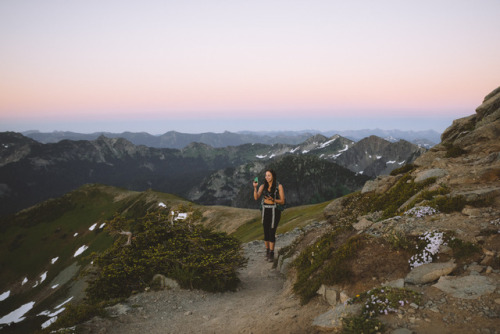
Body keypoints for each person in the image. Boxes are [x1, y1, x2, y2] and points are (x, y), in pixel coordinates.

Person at [253, 169, 285, 262]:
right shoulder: (263, 186)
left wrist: (273, 200)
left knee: (272, 230)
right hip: (265, 210)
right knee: (266, 231)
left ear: (273, 176)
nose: (267, 177)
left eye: (269, 175)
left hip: (275, 210)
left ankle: (271, 252)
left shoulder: (279, 186)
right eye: (266, 175)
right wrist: (255, 187)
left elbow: (282, 201)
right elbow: (256, 197)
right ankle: (267, 251)